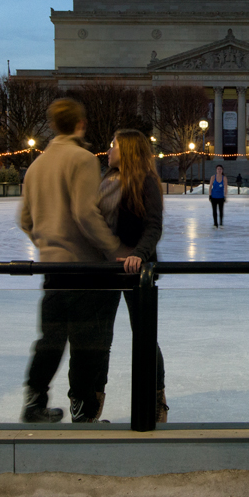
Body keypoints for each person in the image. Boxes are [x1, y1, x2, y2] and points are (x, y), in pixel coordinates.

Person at [19, 98, 129, 423]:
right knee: (86, 341)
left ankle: (34, 400)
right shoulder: (81, 159)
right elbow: (85, 213)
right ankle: (82, 408)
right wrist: (113, 249)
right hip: (84, 265)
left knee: (50, 337)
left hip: (51, 266)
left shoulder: (37, 166)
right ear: (80, 124)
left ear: (53, 124)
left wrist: (47, 243)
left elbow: (25, 219)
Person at [100, 128, 170, 422]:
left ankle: (156, 400)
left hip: (134, 270)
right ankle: (93, 405)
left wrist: (138, 255)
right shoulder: (105, 180)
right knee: (100, 337)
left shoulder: (147, 181)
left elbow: (153, 226)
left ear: (127, 150)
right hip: (103, 269)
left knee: (144, 335)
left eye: (114, 144)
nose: (109, 149)